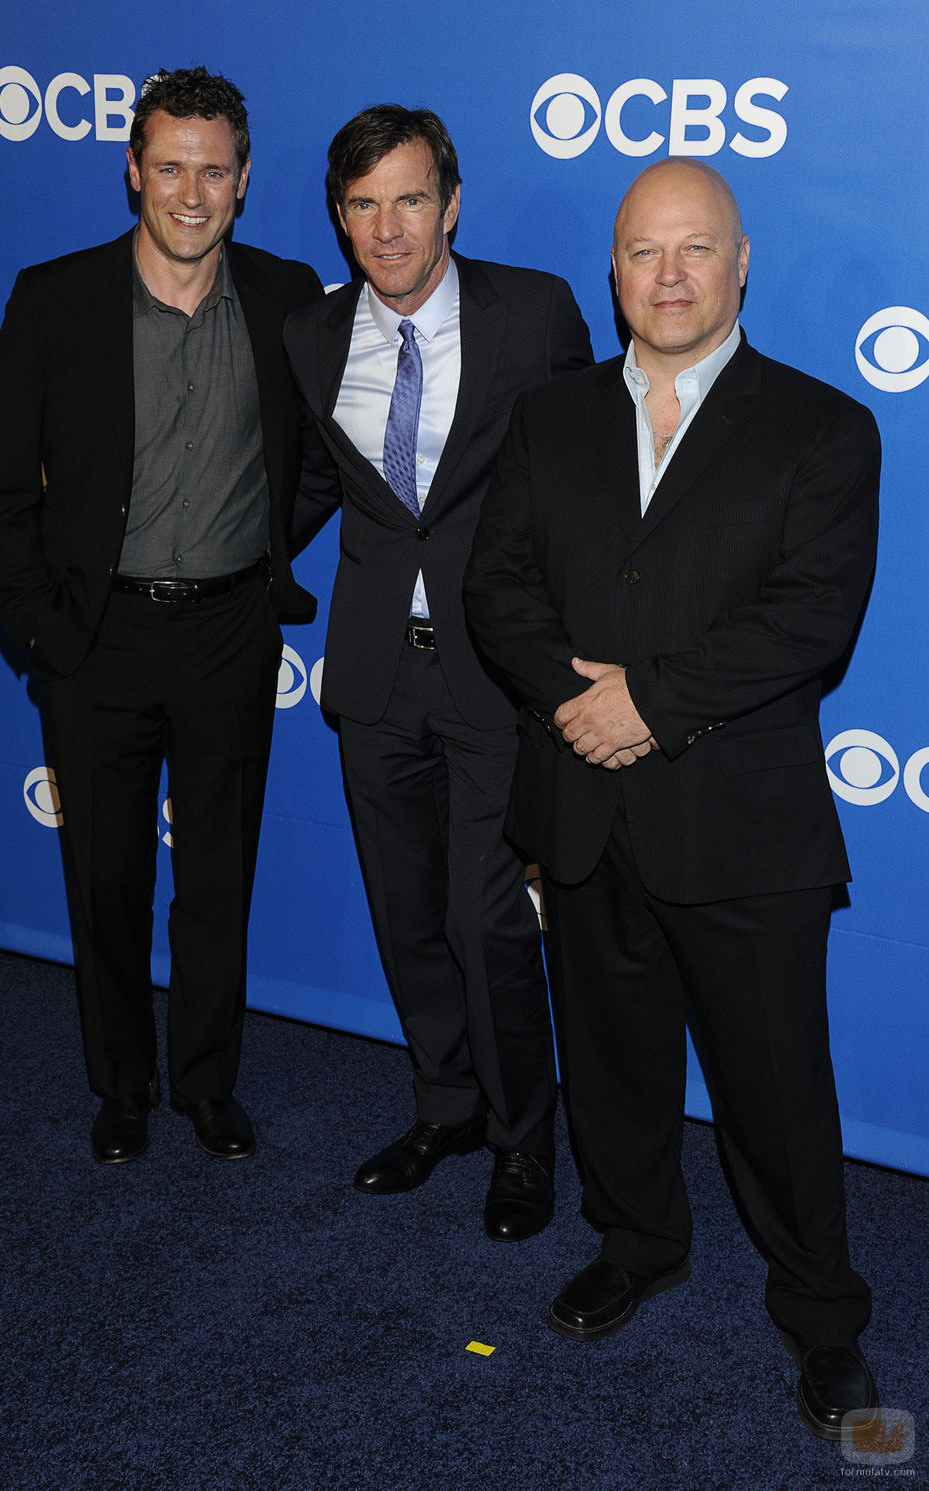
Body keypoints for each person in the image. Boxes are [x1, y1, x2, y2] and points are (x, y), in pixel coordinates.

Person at [464, 159, 880, 1437]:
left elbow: (807, 622)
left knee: (776, 1093)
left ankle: (821, 1316)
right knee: (613, 1063)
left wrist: (645, 700)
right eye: (643, 253)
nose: (668, 276)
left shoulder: (820, 426)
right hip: (583, 811)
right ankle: (636, 1241)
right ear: (614, 268)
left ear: (740, 261)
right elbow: (498, 589)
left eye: (693, 250)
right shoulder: (549, 418)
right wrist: (576, 703)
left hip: (739, 826)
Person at [0, 66, 322, 1165]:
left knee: (217, 879)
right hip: (96, 640)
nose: (189, 191)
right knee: (108, 880)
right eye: (168, 166)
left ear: (243, 181)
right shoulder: (53, 299)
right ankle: (120, 1090)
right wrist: (43, 632)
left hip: (229, 632)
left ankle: (207, 1089)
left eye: (211, 171)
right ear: (133, 172)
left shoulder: (288, 298)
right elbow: (2, 501)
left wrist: (264, 557)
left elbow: (317, 467)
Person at [284, 105, 593, 1240]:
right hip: (372, 674)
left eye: (409, 199)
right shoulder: (311, 337)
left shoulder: (535, 313)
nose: (388, 228)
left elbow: (583, 481)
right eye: (362, 205)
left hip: (495, 677)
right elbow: (308, 486)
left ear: (451, 204)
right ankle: (445, 1107)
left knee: (488, 925)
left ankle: (521, 1140)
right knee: (405, 918)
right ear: (339, 217)